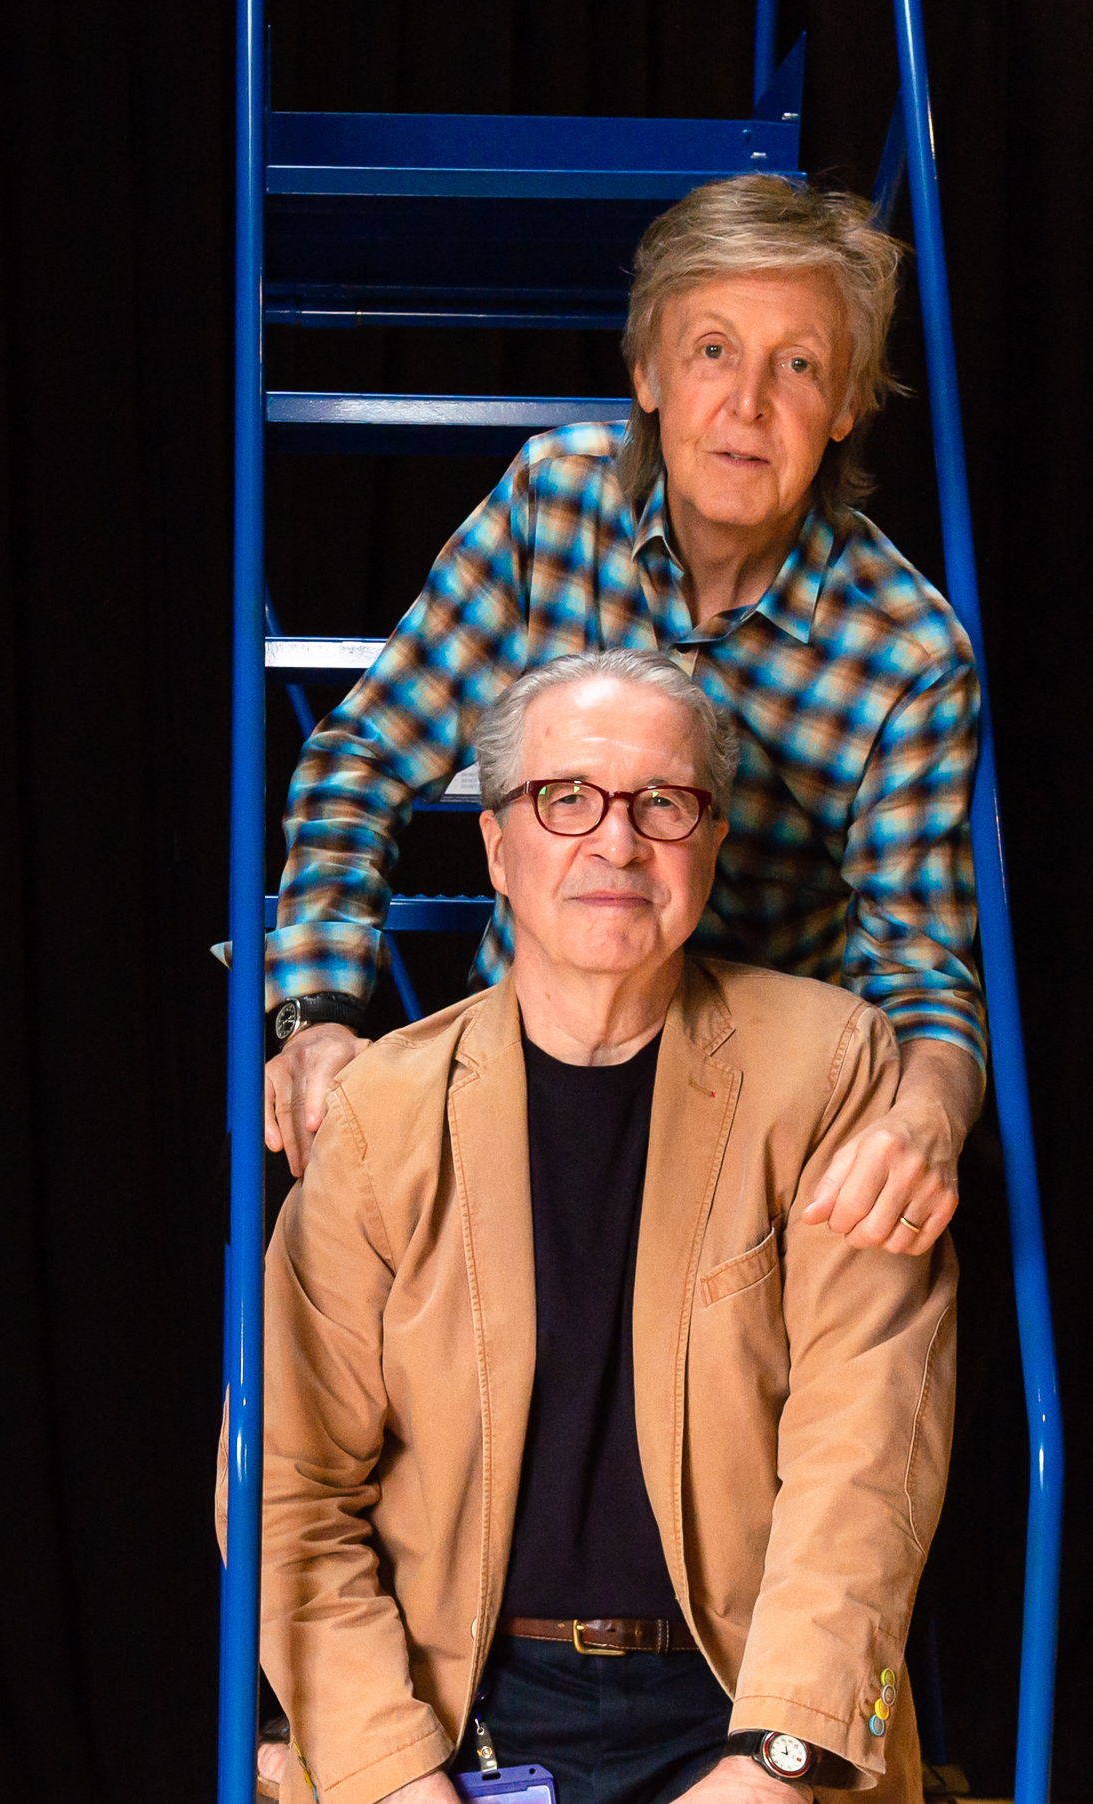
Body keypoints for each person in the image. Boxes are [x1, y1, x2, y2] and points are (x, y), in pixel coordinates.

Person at [233, 651, 956, 1804]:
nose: (616, 841)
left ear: (711, 841)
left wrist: (778, 1759)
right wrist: (389, 1774)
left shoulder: (828, 1068)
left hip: (741, 1705)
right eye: (564, 797)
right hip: (456, 1712)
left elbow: (864, 1458)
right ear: (495, 848)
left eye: (663, 802)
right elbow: (284, 1488)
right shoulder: (382, 1113)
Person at [261, 174, 983, 1257]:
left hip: (750, 1124)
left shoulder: (908, 657)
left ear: (843, 407)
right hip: (523, 1063)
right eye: (712, 350)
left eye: (797, 364)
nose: (748, 404)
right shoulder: (552, 502)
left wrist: (928, 1115)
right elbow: (361, 758)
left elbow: (920, 975)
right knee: (341, 1260)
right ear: (646, 371)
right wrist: (314, 1017)